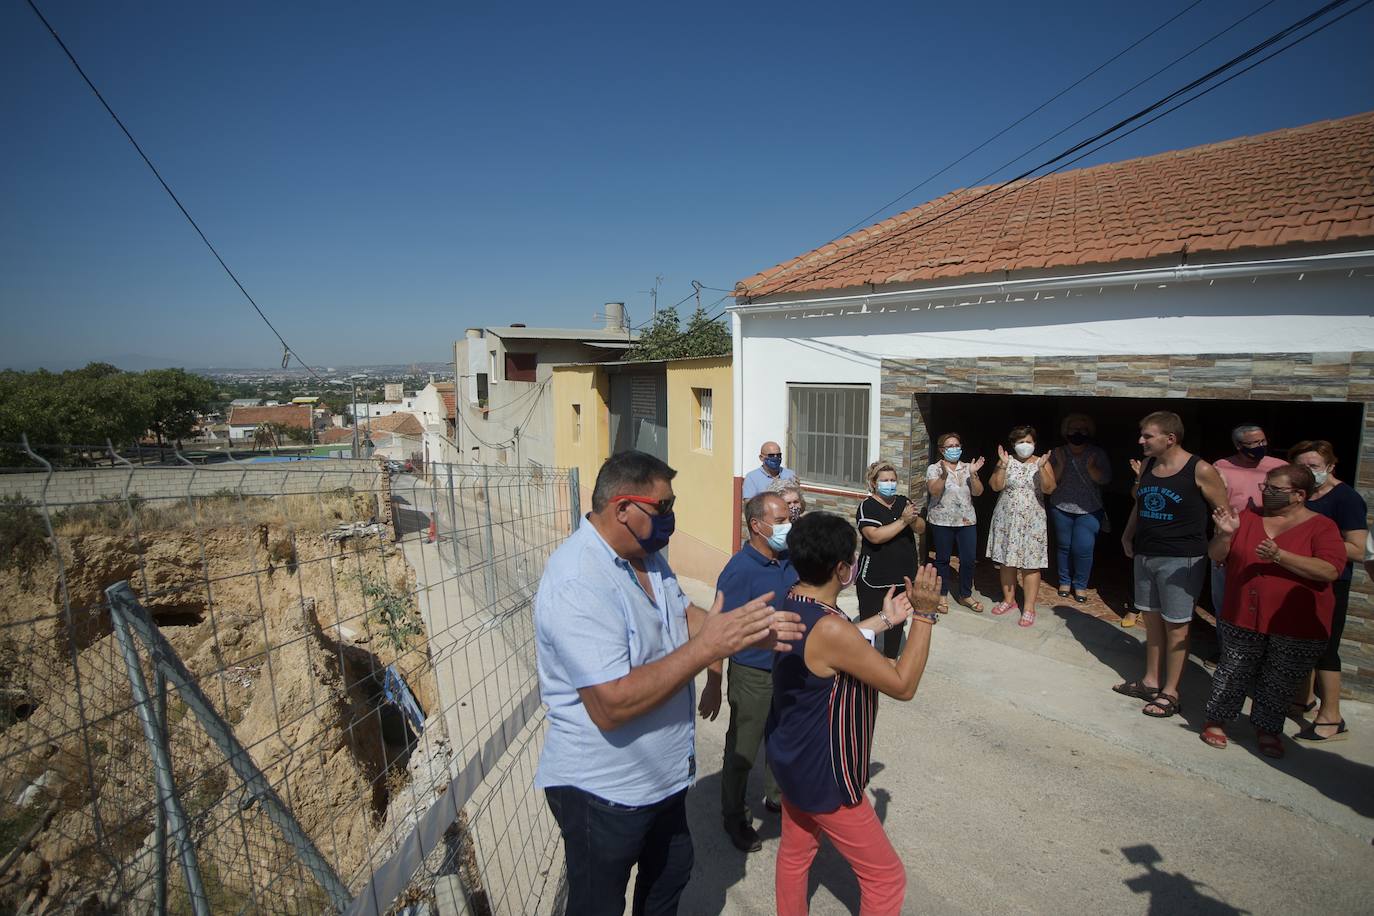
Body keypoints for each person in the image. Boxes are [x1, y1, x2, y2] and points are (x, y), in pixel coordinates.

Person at [533, 451, 804, 915]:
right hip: (605, 794)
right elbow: (610, 704)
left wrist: (743, 628)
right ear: (623, 508)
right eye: (663, 507)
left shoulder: (647, 557)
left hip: (662, 781)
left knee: (670, 877)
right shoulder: (578, 581)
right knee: (598, 904)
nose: (671, 517)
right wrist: (708, 649)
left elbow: (683, 614)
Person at [765, 512, 943, 916]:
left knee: (796, 855)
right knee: (886, 878)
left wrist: (884, 619)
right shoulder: (831, 629)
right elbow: (903, 684)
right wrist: (924, 616)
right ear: (843, 569)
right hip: (826, 773)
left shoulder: (794, 599)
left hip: (791, 758)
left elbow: (829, 649)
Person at [1199, 465, 1345, 758]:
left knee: (1279, 680)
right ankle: (1217, 720)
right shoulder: (1249, 518)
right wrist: (1225, 535)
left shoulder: (1322, 527)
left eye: (1274, 489)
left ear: (1299, 495)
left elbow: (1330, 569)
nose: (1266, 492)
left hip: (1295, 623)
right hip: (1243, 614)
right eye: (1265, 486)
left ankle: (1267, 729)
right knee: (1232, 670)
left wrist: (1281, 556)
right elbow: (1216, 555)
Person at [1115, 411, 1229, 719]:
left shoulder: (1200, 469)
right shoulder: (1149, 465)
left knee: (1177, 628)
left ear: (1170, 438)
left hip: (1182, 560)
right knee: (1151, 622)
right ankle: (1151, 681)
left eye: (1147, 436)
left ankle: (1171, 692)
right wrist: (1128, 535)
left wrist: (1221, 553)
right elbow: (1140, 501)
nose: (1141, 441)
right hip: (1146, 554)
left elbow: (1225, 516)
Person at [714, 493, 801, 852]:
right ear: (757, 525)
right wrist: (713, 681)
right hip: (752, 674)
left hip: (788, 669)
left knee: (781, 740)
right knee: (744, 749)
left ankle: (776, 797)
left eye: (789, 517)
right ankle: (734, 816)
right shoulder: (739, 571)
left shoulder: (788, 561)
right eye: (780, 521)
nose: (787, 526)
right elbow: (717, 629)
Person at [1289, 441, 1366, 741]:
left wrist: (1307, 546)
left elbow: (1358, 549)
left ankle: (1331, 715)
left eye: (1314, 466)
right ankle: (1302, 699)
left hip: (1330, 582)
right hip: (1300, 577)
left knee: (1325, 648)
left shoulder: (1346, 499)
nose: (1308, 472)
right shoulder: (1303, 496)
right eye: (1302, 467)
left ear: (1331, 467)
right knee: (1302, 642)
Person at [1205, 424, 1285, 636]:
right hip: (1230, 540)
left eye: (1263, 441)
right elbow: (1216, 507)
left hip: (1267, 543)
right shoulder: (1221, 467)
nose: (1261, 446)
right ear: (1238, 445)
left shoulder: (1279, 467)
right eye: (1254, 443)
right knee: (1224, 601)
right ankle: (1227, 651)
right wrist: (1222, 543)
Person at [987, 426, 1056, 627]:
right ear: (1013, 445)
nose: (1024, 445)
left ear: (1034, 443)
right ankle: (1009, 601)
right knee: (1006, 561)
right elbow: (995, 486)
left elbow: (1049, 489)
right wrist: (1002, 465)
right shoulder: (1006, 462)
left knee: (1030, 565)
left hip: (1032, 521)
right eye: (1020, 442)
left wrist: (1042, 468)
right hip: (1006, 519)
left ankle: (1029, 607)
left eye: (1028, 441)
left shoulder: (1041, 462)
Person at [856, 460, 925, 658]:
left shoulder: (904, 502)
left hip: (903, 575)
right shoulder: (867, 507)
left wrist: (913, 520)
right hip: (874, 578)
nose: (890, 484)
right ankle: (864, 661)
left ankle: (890, 659)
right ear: (874, 483)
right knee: (870, 623)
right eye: (885, 480)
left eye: (893, 480)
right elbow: (875, 536)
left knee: (897, 621)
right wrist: (904, 520)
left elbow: (921, 529)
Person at [1048, 414, 1111, 604]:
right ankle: (1065, 582)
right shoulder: (1057, 453)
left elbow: (1105, 479)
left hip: (1089, 509)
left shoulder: (1097, 453)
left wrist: (1091, 468)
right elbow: (1050, 482)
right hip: (1061, 506)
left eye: (1082, 429)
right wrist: (1061, 464)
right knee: (1064, 546)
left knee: (1083, 548)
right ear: (1066, 431)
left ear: (1089, 432)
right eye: (1073, 429)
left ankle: (1080, 584)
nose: (1077, 433)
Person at [925, 431, 986, 613]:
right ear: (942, 450)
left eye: (956, 445)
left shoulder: (968, 467)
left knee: (968, 560)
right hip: (941, 520)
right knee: (942, 559)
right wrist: (944, 476)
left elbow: (978, 492)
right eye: (949, 446)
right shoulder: (934, 468)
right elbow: (934, 492)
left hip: (966, 520)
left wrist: (974, 475)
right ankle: (942, 595)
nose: (954, 449)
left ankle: (965, 594)